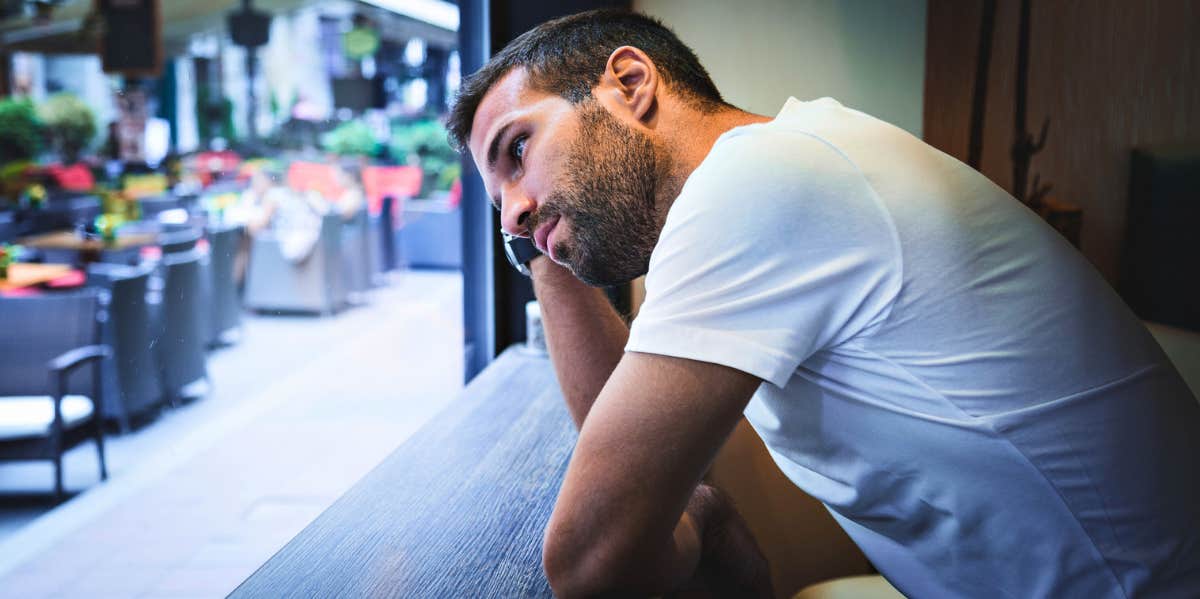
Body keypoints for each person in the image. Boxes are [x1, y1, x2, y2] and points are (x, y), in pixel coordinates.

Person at [447, 9, 1200, 598]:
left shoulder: (759, 182)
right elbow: (620, 437)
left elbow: (589, 558)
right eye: (496, 205)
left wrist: (699, 518)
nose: (508, 211)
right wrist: (537, 238)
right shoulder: (781, 165)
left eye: (517, 149)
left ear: (631, 83)